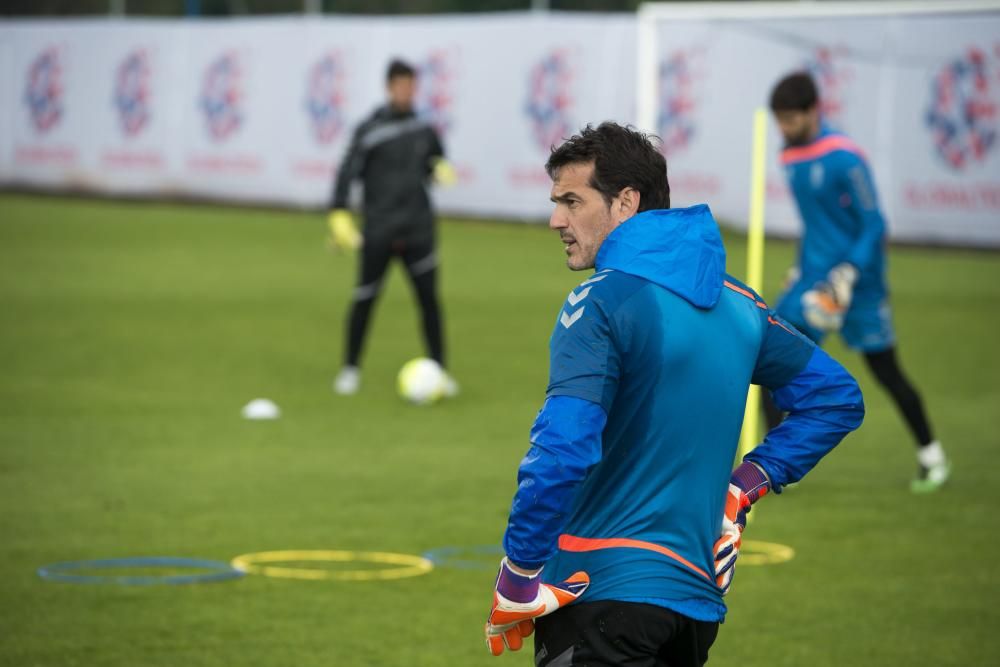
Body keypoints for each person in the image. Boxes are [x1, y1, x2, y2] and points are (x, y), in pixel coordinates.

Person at [483, 122, 865, 666]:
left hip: (598, 593)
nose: (556, 220)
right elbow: (836, 398)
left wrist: (519, 574)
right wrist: (745, 486)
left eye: (572, 200)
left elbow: (563, 449)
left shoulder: (599, 301)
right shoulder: (740, 304)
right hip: (692, 610)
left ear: (626, 202)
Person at [767, 71, 949, 493]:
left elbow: (874, 222)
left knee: (885, 371)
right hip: (812, 281)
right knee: (771, 360)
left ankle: (932, 457)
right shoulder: (789, 156)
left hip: (859, 284)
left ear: (814, 111)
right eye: (780, 121)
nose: (785, 129)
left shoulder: (846, 157)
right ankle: (772, 469)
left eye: (792, 119)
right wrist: (800, 269)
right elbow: (815, 224)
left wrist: (848, 272)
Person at [327, 59, 457, 396]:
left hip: (418, 230)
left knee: (429, 301)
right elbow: (347, 172)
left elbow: (436, 160)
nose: (406, 92)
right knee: (365, 299)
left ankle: (440, 371)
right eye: (401, 86)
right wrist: (339, 212)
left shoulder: (424, 129)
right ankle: (350, 369)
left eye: (411, 86)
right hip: (379, 230)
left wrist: (439, 168)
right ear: (389, 88)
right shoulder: (370, 129)